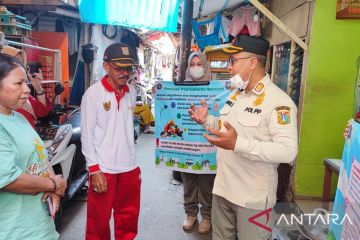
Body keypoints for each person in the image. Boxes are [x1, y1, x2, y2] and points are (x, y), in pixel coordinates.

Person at [188, 35, 298, 240]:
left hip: (253, 199)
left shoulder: (279, 102)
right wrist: (207, 121)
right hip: (222, 190)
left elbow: (287, 151)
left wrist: (238, 144)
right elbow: (228, 128)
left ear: (252, 62)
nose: (230, 68)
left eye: (233, 61)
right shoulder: (236, 95)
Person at [0, 53, 67, 239]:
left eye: (26, 83)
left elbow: (41, 156)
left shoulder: (19, 117)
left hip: (39, 227)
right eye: (18, 83)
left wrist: (56, 188)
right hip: (14, 232)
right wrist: (53, 184)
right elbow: (8, 178)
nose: (27, 89)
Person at [81, 43, 141, 240]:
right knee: (98, 223)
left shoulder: (131, 91)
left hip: (129, 167)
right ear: (106, 66)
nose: (125, 73)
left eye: (129, 68)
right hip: (103, 169)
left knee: (128, 220)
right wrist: (94, 169)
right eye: (119, 68)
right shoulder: (93, 94)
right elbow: (87, 136)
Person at [181, 52, 214, 234]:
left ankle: (207, 216)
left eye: (199, 63)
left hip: (207, 144)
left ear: (205, 65)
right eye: (192, 63)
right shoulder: (181, 87)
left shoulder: (215, 89)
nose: (195, 67)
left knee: (206, 182)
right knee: (188, 181)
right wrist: (160, 94)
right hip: (186, 145)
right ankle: (191, 214)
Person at [2, 45, 52, 128]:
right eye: (14, 63)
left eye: (21, 63)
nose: (27, 90)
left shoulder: (24, 95)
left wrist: (38, 89)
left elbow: (42, 111)